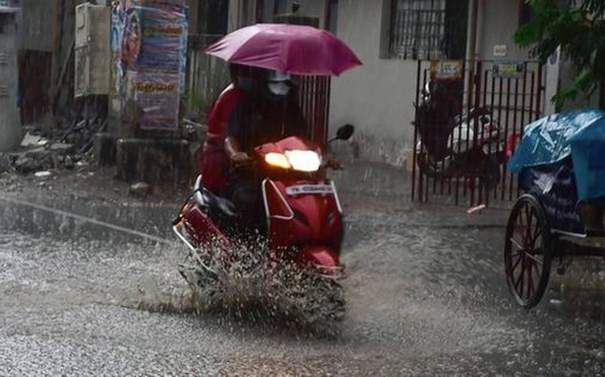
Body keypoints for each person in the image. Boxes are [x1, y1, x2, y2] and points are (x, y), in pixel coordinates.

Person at [225, 70, 308, 231]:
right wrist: (236, 154)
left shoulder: (293, 112)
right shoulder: (246, 108)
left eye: (285, 85)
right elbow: (231, 139)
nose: (281, 89)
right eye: (276, 84)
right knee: (249, 201)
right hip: (250, 175)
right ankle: (246, 249)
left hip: (288, 176)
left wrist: (322, 156)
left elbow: (304, 141)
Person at [198, 64, 251, 195]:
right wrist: (236, 154)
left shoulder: (266, 100)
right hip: (225, 161)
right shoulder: (232, 97)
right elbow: (230, 136)